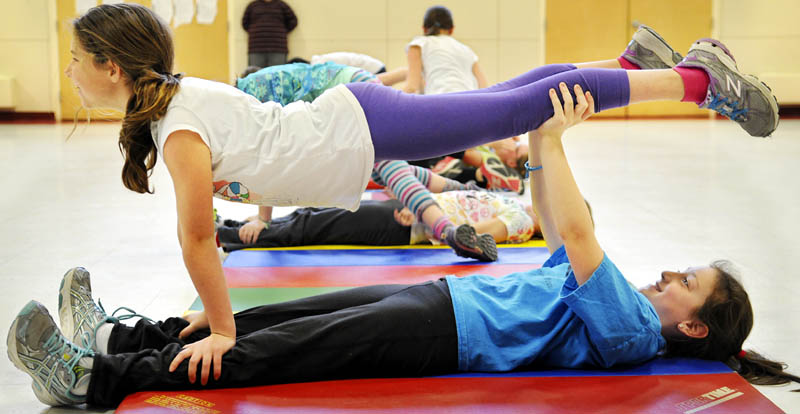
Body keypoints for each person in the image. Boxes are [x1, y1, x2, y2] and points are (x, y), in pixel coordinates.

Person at [62, 2, 779, 391]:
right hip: (355, 129)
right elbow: (573, 234)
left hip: (358, 130)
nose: (70, 70)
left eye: (74, 59)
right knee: (516, 102)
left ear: (112, 66)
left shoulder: (178, 116)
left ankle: (693, 82)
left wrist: (222, 325)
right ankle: (633, 69)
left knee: (520, 104)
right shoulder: (176, 110)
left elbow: (197, 239)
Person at [8, 91, 795, 408]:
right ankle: (124, 333)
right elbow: (560, 228)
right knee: (266, 319)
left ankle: (95, 379)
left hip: (445, 333)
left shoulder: (627, 328)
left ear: (694, 326)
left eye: (687, 281)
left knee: (284, 352)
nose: (670, 273)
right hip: (442, 299)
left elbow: (580, 233)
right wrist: (538, 140)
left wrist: (552, 134)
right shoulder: (618, 300)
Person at [235, 63, 497, 261]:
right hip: (355, 90)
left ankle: (447, 231)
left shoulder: (248, 103)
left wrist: (263, 221)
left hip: (350, 97)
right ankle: (464, 191)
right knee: (387, 169)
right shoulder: (252, 91)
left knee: (388, 167)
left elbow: (269, 162)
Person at [403, 6, 525, 193]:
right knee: (465, 148)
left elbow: (411, 87)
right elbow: (487, 90)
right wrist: (502, 127)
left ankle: (437, 172)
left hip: (441, 108)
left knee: (420, 146)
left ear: (424, 28)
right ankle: (489, 170)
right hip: (472, 110)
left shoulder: (419, 43)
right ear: (451, 30)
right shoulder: (467, 50)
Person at [217, 190, 541, 251]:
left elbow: (472, 235)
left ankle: (228, 235)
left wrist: (426, 220)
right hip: (413, 208)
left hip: (408, 223)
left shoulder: (521, 223)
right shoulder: (514, 206)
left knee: (317, 226)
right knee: (317, 215)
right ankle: (233, 228)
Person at [242, 0, 297, 67]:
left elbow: (293, 21)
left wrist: (281, 32)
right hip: (256, 48)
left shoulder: (282, 5)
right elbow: (245, 23)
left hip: (278, 48)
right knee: (255, 75)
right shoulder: (252, 5)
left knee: (277, 74)